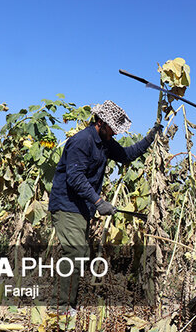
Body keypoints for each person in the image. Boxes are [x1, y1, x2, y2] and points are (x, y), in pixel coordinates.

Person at [48, 100, 161, 312]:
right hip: (66, 205)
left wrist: (150, 138)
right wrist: (99, 202)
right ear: (100, 122)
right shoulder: (82, 141)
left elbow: (126, 156)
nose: (115, 134)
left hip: (81, 208)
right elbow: (75, 177)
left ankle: (66, 305)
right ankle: (60, 308)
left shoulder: (105, 142)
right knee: (75, 253)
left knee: (79, 255)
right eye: (113, 129)